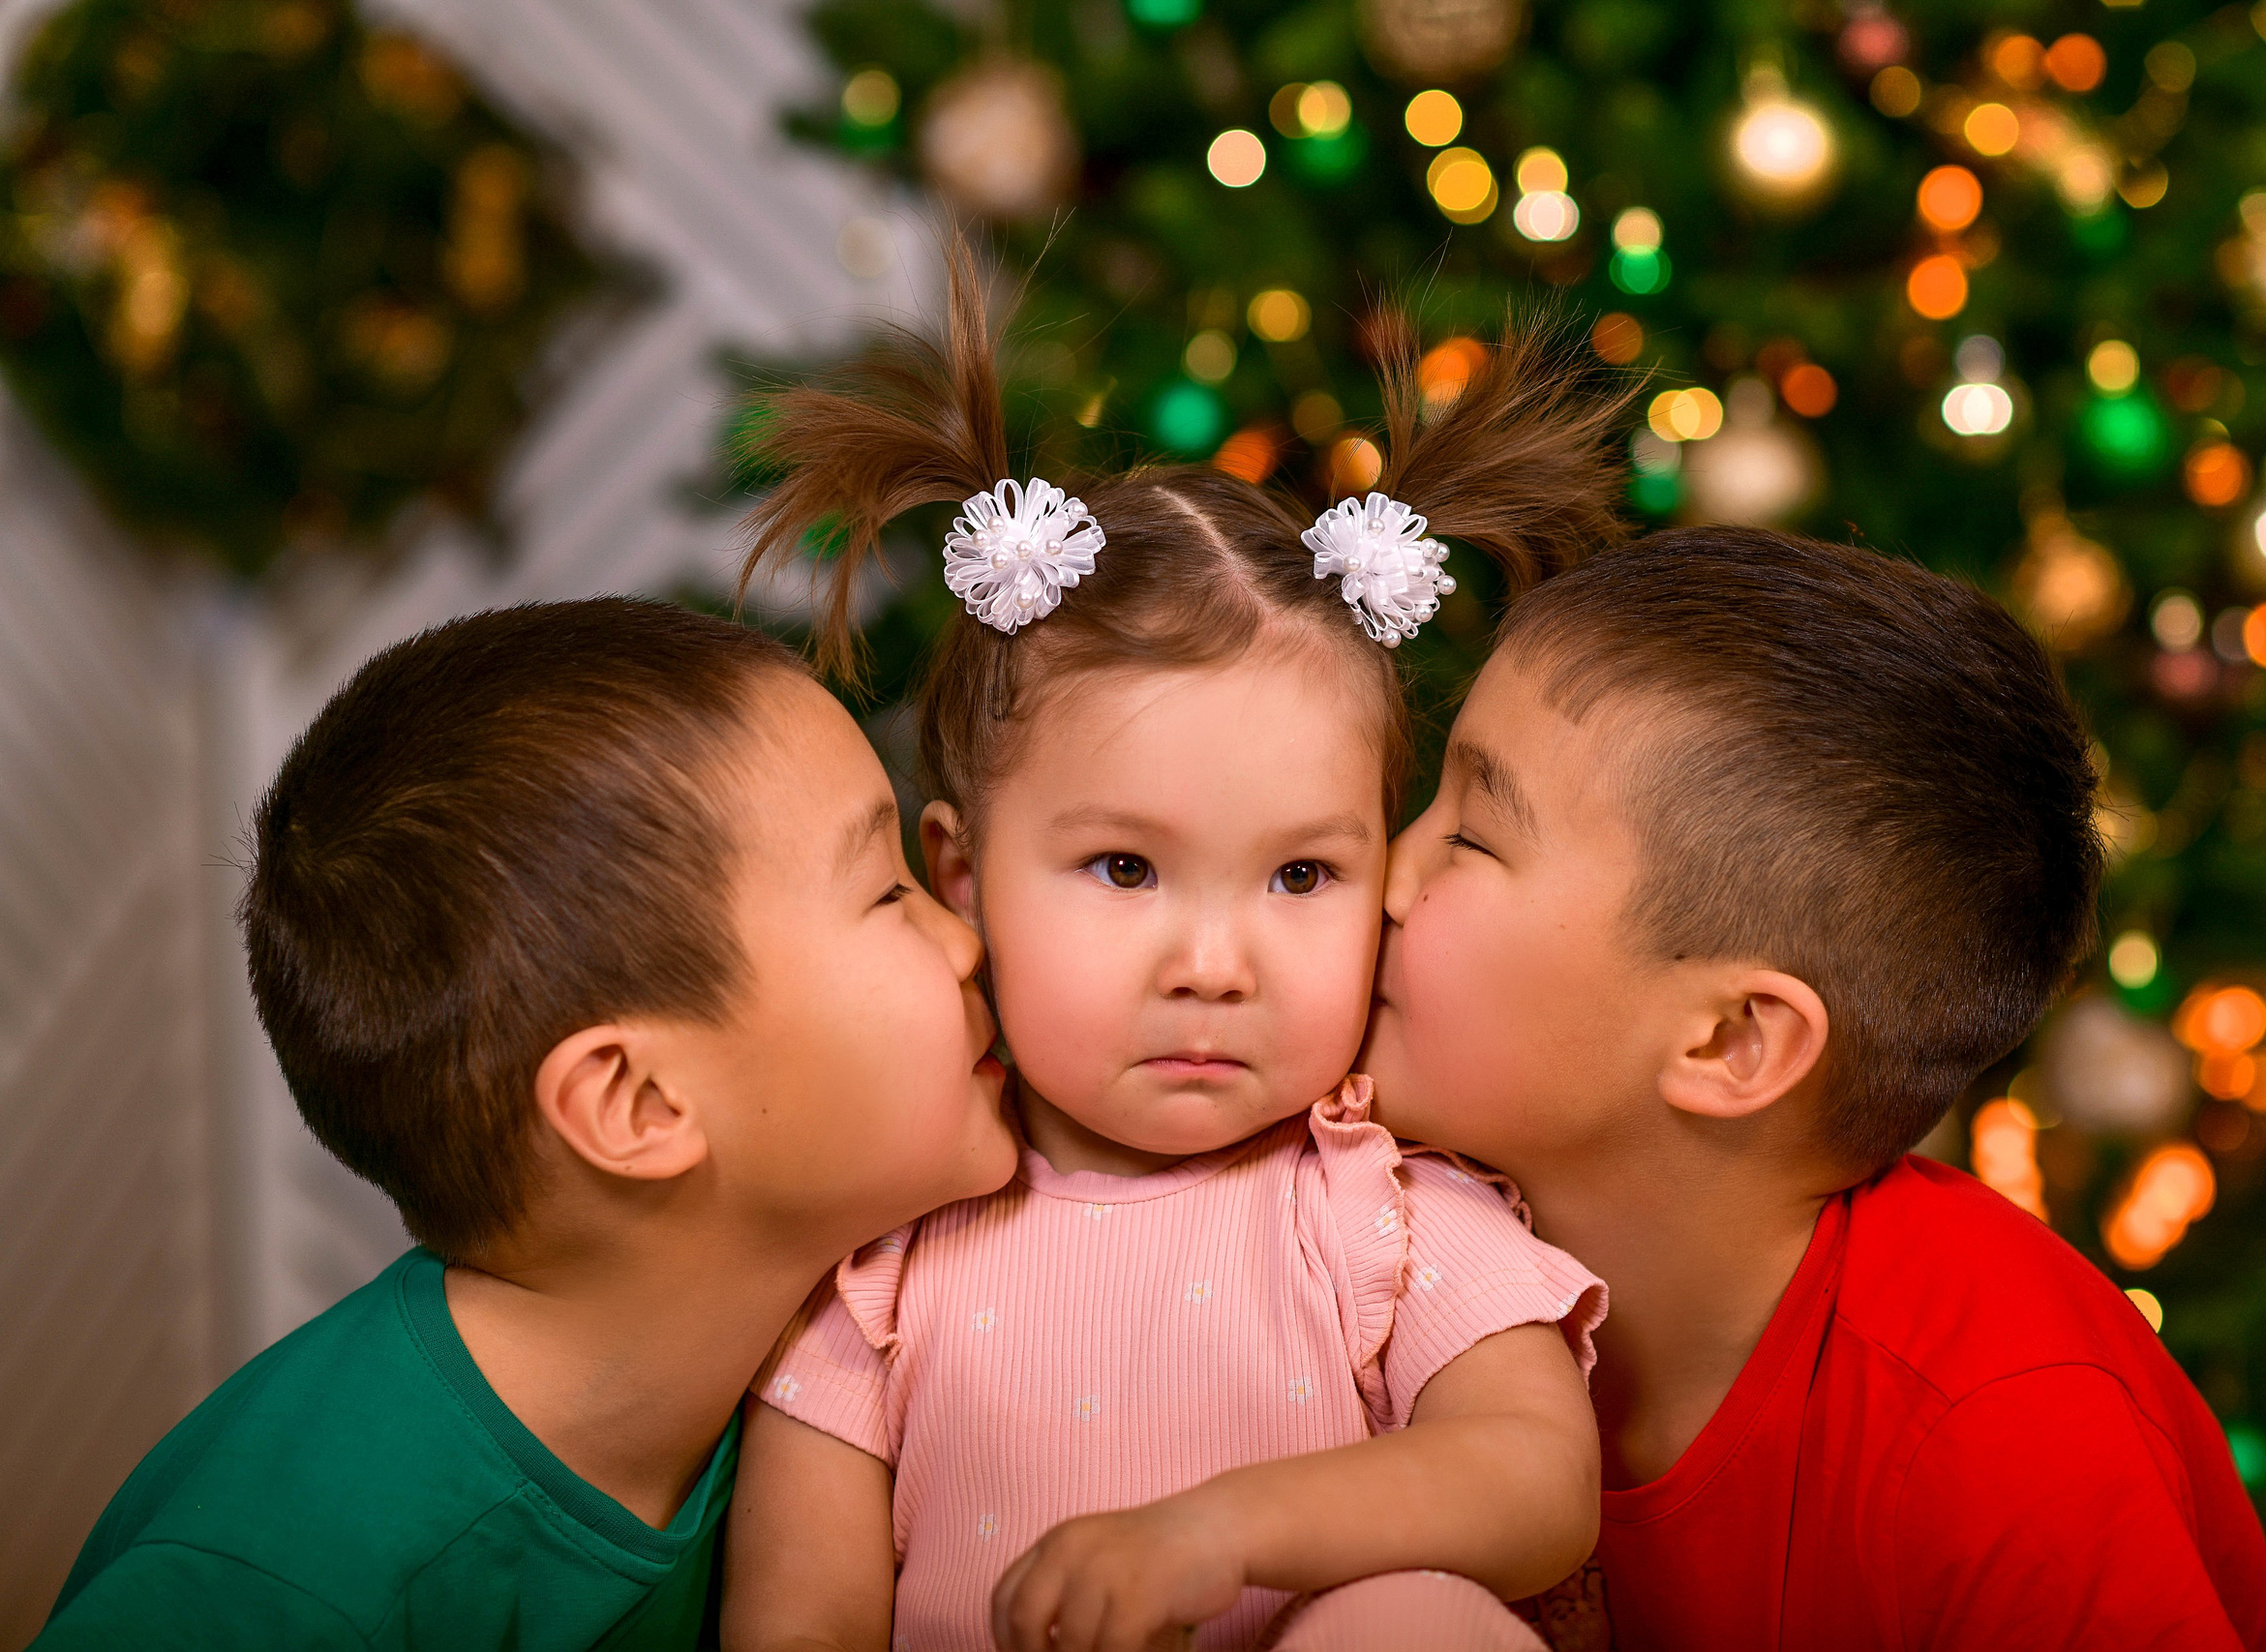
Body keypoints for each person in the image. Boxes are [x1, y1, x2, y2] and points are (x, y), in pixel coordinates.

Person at [721, 253, 1631, 1652]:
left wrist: (1225, 1527)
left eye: (1302, 873)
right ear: (962, 878)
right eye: (1126, 868)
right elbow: (802, 1615)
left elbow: (1537, 1481)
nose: (1216, 963)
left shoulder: (1378, 1204)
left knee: (1410, 1618)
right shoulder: (885, 1253)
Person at [1362, 528, 2266, 1651]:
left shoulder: (2009, 1439)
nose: (1381, 872)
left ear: (1730, 1042)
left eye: (1470, 838)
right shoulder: (1343, 1209)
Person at [37, 598, 1019, 1651]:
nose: (968, 939)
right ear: (637, 1105)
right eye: (884, 895)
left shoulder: (846, 1335)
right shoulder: (293, 1577)